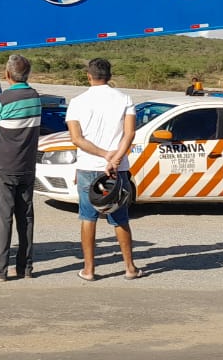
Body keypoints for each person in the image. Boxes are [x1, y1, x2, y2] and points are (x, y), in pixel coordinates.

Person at [66, 58, 143, 281]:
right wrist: (115, 158)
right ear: (109, 76)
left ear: (88, 76)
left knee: (88, 218)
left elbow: (76, 138)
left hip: (88, 167)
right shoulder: (125, 99)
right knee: (120, 218)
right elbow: (129, 133)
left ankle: (89, 270)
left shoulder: (77, 102)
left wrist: (103, 154)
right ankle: (129, 267)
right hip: (117, 169)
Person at [0, 54, 41, 282]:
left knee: (3, 218)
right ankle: (25, 267)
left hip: (4, 166)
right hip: (27, 166)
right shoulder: (35, 98)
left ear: (7, 74)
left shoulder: (3, 99)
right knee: (26, 218)